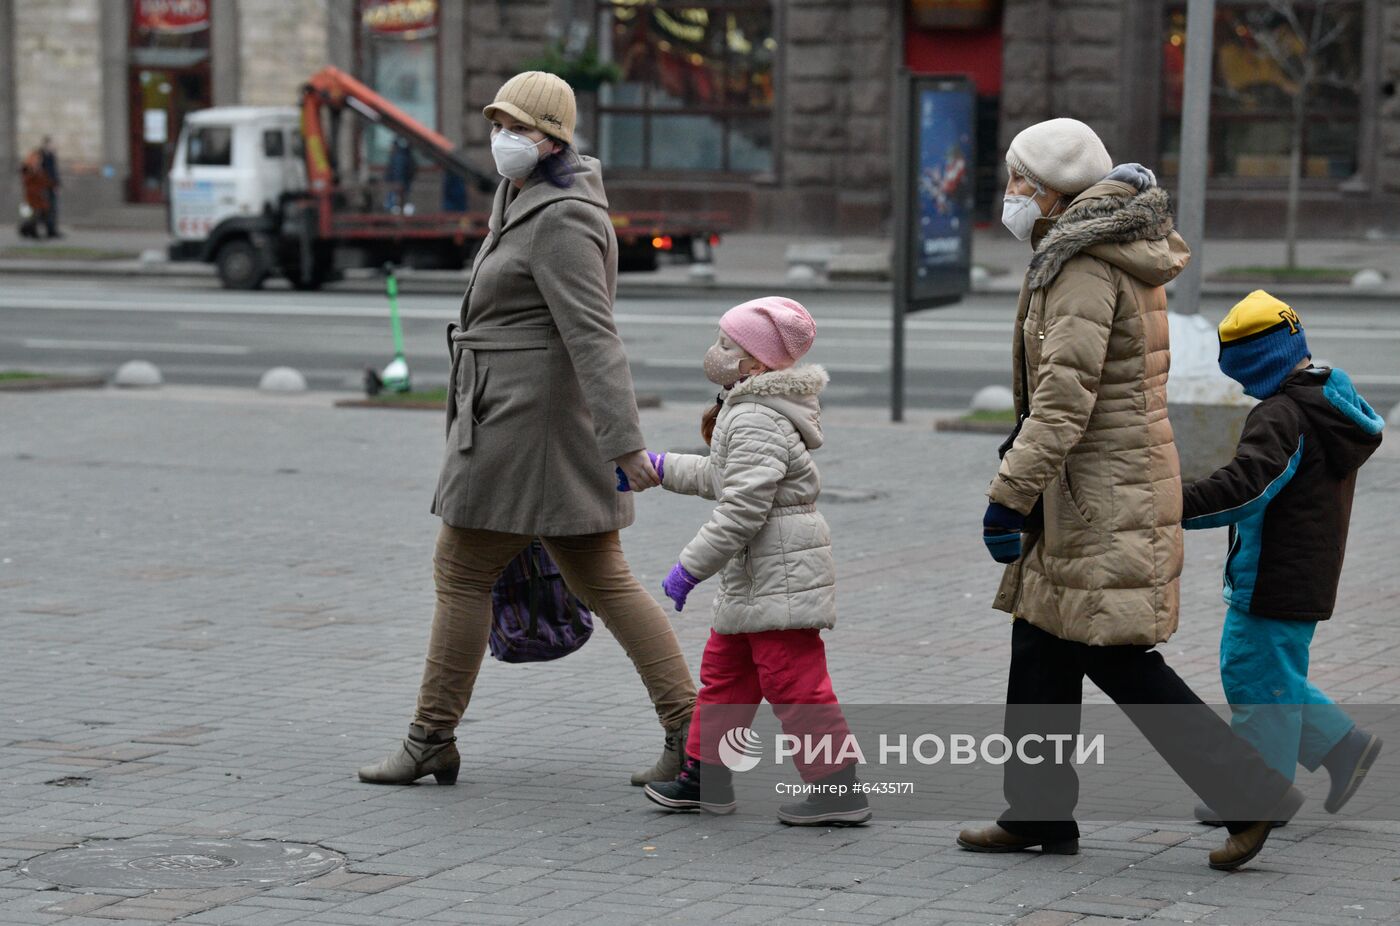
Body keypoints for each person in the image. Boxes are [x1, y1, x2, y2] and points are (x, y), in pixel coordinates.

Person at [958, 117, 1302, 871]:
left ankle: (1249, 790)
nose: (1009, 193)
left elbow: (1064, 402)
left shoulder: (1082, 264)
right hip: (1094, 483)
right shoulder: (1094, 247)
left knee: (1114, 652)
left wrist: (1008, 494)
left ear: (1050, 191)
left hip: (1097, 492)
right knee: (1041, 642)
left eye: (1018, 180)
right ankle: (1038, 813)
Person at [358, 71, 696, 788]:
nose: (502, 138)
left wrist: (624, 442)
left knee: (462, 571)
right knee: (601, 578)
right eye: (497, 123)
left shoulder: (565, 215)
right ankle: (691, 733)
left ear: (553, 139)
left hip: (525, 429)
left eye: (517, 127)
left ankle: (430, 738)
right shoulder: (523, 196)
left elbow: (594, 335)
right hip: (512, 417)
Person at [631, 297, 870, 826]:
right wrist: (661, 467)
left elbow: (741, 507)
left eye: (725, 345)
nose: (713, 352)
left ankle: (837, 789)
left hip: (778, 571)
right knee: (725, 676)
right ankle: (705, 778)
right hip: (761, 573)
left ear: (756, 364)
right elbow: (724, 475)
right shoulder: (748, 410)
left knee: (793, 681)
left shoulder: (756, 418)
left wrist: (689, 567)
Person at [1182, 291, 1384, 824]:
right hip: (1304, 571)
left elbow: (1246, 487)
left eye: (1240, 375)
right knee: (1275, 671)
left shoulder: (1281, 414)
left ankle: (1259, 797)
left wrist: (1169, 504)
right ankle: (1345, 748)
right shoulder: (1327, 397)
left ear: (1257, 365)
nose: (1239, 386)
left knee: (1254, 677)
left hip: (1274, 576)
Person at [19, 148, 53, 240]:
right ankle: (32, 232)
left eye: (40, 158)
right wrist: (33, 172)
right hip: (31, 195)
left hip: (39, 195)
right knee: (34, 214)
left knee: (41, 213)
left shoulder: (39, 168)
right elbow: (26, 181)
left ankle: (25, 229)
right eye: (37, 158)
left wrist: (52, 184)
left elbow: (44, 180)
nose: (39, 160)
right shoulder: (27, 167)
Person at [384, 137, 416, 214]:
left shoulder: (399, 157)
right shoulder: (403, 156)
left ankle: (398, 219)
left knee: (395, 203)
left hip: (398, 184)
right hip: (402, 183)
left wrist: (398, 182)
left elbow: (399, 170)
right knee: (399, 202)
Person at [39, 136, 61, 238]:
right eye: (51, 144)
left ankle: (52, 230)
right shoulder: (41, 156)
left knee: (53, 209)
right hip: (44, 186)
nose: (53, 146)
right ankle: (47, 229)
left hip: (52, 186)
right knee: (46, 209)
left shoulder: (51, 156)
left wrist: (57, 184)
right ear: (46, 144)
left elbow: (54, 172)